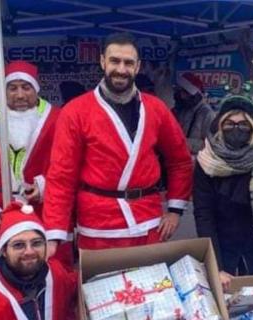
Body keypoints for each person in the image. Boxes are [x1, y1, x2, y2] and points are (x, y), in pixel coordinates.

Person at [42, 33, 193, 254]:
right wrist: (54, 234)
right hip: (97, 227)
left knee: (151, 288)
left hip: (148, 223)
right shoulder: (75, 112)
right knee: (99, 288)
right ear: (103, 61)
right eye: (115, 61)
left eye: (128, 63)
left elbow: (180, 160)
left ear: (138, 67)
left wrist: (175, 209)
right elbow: (61, 175)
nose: (121, 69)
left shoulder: (156, 108)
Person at [0, 60, 74, 269]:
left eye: (26, 87)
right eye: (12, 88)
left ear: (36, 88)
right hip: (1, 214)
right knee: (6, 275)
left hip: (48, 212)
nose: (19, 95)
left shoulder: (58, 118)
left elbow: (72, 164)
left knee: (55, 273)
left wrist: (44, 186)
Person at [193, 93, 253, 290]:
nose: (236, 129)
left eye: (243, 124)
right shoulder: (207, 161)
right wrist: (216, 266)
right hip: (223, 252)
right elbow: (204, 215)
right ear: (220, 124)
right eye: (229, 123)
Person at [172, 72, 216, 155]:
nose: (181, 96)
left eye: (185, 92)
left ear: (194, 95)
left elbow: (211, 145)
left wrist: (184, 143)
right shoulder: (181, 110)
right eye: (179, 91)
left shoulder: (207, 114)